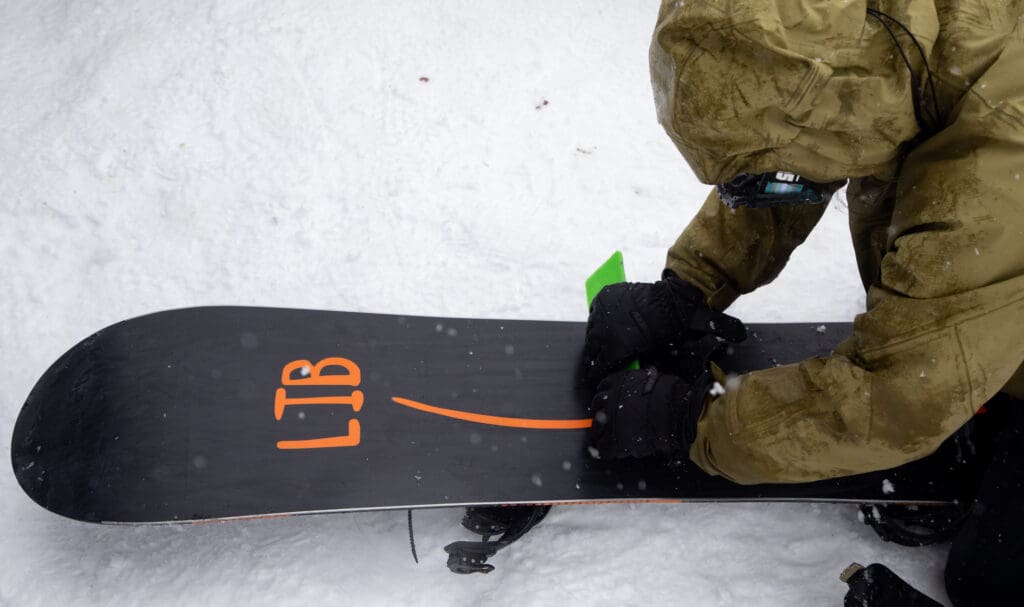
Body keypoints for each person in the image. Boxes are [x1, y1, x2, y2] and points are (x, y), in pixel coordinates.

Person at [581, 2, 1024, 605]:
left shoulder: (999, 154)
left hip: (1001, 240)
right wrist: (690, 284)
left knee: (990, 577)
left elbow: (894, 402)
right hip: (996, 268)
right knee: (923, 444)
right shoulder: (890, 41)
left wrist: (689, 423)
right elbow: (798, 150)